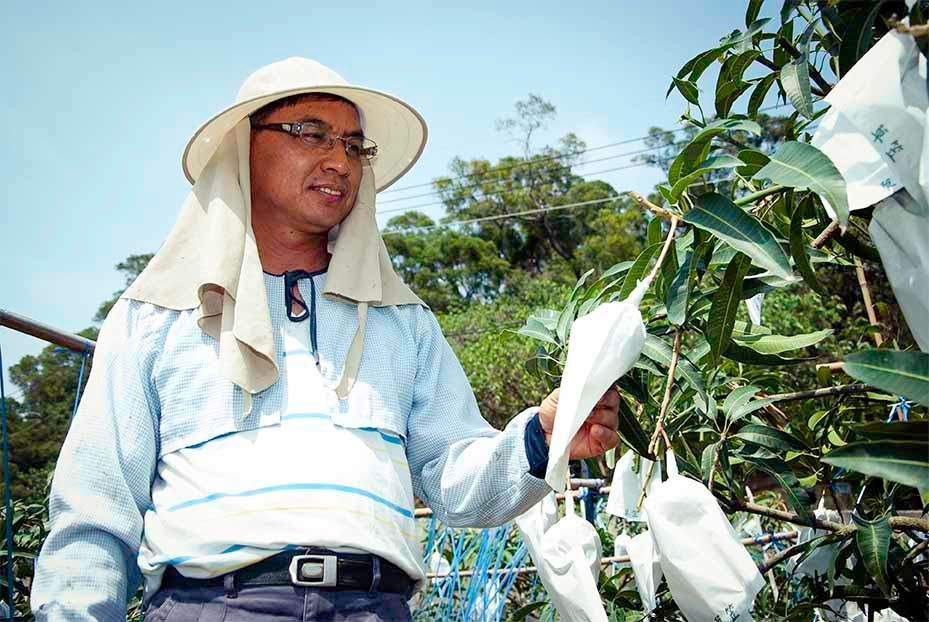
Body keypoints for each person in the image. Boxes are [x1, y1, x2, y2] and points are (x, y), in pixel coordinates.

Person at [31, 58, 620, 621]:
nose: (340, 160)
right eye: (310, 133)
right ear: (243, 148)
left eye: (352, 144)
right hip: (215, 607)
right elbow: (94, 512)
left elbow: (453, 479)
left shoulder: (401, 320)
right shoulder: (155, 315)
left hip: (375, 609)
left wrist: (543, 437)